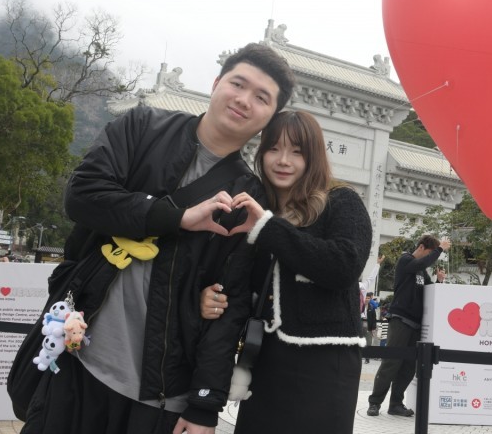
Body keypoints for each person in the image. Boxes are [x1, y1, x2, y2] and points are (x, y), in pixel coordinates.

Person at [19, 43, 295, 434]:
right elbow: (81, 195)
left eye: (262, 97)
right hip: (76, 361)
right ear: (216, 83)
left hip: (163, 395)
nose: (244, 100)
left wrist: (204, 405)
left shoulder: (248, 199)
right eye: (238, 83)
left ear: (270, 117)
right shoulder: (142, 128)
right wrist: (177, 216)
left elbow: (230, 307)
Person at [225, 110, 373, 434]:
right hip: (265, 359)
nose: (283, 160)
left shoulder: (341, 201)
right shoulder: (259, 211)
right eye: (274, 148)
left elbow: (344, 265)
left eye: (296, 151)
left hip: (325, 362)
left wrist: (268, 228)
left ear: (313, 157)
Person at [367, 234, 451, 418]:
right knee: (391, 362)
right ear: (421, 248)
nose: (430, 258)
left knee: (408, 366)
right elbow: (420, 264)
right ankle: (374, 403)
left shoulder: (422, 272)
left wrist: (438, 281)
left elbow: (429, 291)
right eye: (429, 252)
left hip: (416, 324)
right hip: (401, 319)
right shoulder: (406, 260)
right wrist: (439, 250)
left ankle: (396, 404)